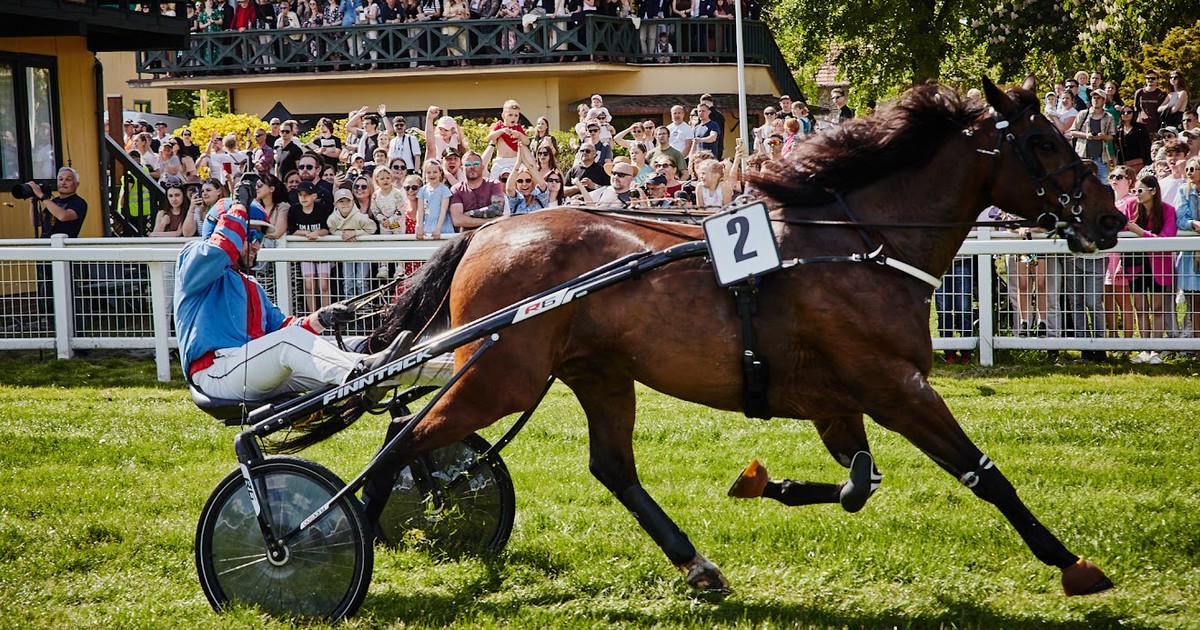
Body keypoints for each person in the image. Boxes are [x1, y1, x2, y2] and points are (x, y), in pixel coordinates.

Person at [176, 198, 409, 402]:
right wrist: (238, 206)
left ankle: (413, 370)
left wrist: (321, 318)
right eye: (251, 235)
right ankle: (363, 375)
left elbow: (282, 328)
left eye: (261, 237)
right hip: (214, 373)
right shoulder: (193, 258)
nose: (257, 244)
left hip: (251, 369)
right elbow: (220, 250)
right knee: (289, 343)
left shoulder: (251, 285)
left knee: (350, 344)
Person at [1121, 174, 1177, 364]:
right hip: (1135, 263)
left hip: (1159, 264)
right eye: (1134, 190)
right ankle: (1145, 348)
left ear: (1153, 191)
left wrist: (1139, 232)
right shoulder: (1129, 206)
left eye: (1140, 190)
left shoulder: (1168, 210)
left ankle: (1157, 348)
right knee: (1140, 307)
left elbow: (1166, 239)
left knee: (1158, 307)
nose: (1136, 194)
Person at [288, 181, 334, 313]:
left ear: (314, 196)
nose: (303, 197)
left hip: (322, 252)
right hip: (305, 252)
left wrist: (317, 233)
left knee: (324, 284)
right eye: (300, 194)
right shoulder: (294, 210)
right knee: (308, 284)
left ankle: (327, 317)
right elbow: (292, 230)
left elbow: (327, 229)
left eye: (306, 195)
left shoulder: (322, 209)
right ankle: (313, 317)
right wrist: (306, 233)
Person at [328, 187, 377, 299]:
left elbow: (372, 229)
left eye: (348, 201)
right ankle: (349, 309)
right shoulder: (332, 219)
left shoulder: (361, 217)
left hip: (363, 253)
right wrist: (344, 235)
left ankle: (365, 307)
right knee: (348, 281)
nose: (345, 204)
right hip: (346, 254)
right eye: (341, 201)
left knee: (361, 281)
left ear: (353, 202)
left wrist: (355, 233)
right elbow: (332, 231)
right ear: (335, 204)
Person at [1175, 157, 1200, 349]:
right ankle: (1193, 345)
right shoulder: (1183, 191)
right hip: (1191, 255)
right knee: (1193, 302)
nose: (1189, 172)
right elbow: (1180, 218)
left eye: (1194, 169)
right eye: (1188, 169)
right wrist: (1193, 224)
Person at [448, 151, 505, 230]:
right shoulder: (456, 189)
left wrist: (470, 213)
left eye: (476, 164)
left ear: (482, 167)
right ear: (462, 169)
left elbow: (496, 209)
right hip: (467, 236)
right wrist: (490, 221)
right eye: (467, 164)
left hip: (492, 233)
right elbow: (457, 220)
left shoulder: (494, 184)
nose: (472, 167)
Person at [1068, 89, 1115, 182]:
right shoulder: (1083, 114)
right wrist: (1086, 135)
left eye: (1098, 98)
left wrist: (1102, 136)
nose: (1095, 100)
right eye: (1093, 98)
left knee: (1105, 184)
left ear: (1104, 100)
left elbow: (1111, 136)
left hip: (1100, 158)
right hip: (1083, 156)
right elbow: (1072, 132)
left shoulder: (1109, 117)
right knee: (1079, 183)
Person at [417, 159, 454, 239]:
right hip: (427, 223)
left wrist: (438, 228)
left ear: (440, 173)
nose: (432, 175)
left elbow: (443, 210)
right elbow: (420, 210)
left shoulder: (444, 190)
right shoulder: (422, 190)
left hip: (441, 224)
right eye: (429, 172)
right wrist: (419, 226)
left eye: (435, 172)